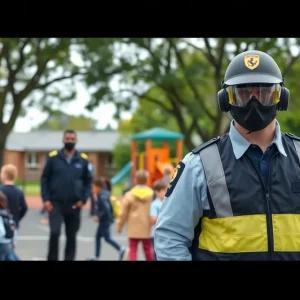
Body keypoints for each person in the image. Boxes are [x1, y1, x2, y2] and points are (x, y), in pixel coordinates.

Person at [154, 49, 300, 261]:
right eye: (243, 93)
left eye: (263, 92)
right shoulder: (199, 165)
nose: (254, 102)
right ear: (226, 100)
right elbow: (170, 237)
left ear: (281, 97)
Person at [40, 129, 92, 261]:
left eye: (72, 139)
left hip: (74, 204)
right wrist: (45, 199)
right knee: (54, 233)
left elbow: (88, 181)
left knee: (71, 236)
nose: (70, 141)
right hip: (55, 204)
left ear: (76, 140)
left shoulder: (83, 160)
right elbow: (44, 179)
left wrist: (83, 199)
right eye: (67, 139)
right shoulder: (53, 158)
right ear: (63, 140)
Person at [117, 169, 154, 261]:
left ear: (135, 180)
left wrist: (120, 225)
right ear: (146, 180)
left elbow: (123, 212)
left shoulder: (129, 194)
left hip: (133, 226)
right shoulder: (151, 194)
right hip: (146, 225)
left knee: (133, 249)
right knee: (148, 250)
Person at [87, 177, 127, 261]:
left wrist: (98, 216)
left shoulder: (102, 196)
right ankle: (96, 256)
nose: (92, 189)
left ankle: (121, 249)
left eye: (93, 187)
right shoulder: (103, 194)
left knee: (107, 238)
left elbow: (106, 208)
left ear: (97, 187)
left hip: (105, 220)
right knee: (98, 237)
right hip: (105, 220)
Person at [0, 164, 28, 261]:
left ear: (5, 175)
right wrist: (17, 218)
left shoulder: (1, 190)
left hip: (2, 225)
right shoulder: (19, 191)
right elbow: (24, 207)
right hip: (13, 225)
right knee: (12, 249)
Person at [150, 179, 167, 260]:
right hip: (156, 235)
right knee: (157, 255)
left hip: (165, 234)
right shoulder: (154, 204)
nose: (166, 192)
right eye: (164, 190)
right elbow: (153, 219)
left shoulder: (166, 202)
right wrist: (166, 218)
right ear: (157, 192)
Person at [0, 191, 16, 261]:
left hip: (2, 243)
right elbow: (14, 229)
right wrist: (14, 243)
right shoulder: (7, 214)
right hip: (8, 242)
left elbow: (2, 232)